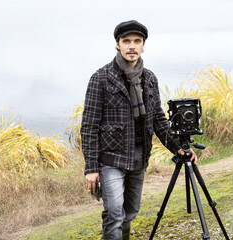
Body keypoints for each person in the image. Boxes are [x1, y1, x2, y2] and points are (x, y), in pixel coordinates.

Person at [81, 20, 197, 240]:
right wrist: (91, 168)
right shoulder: (101, 78)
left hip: (139, 157)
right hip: (111, 159)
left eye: (137, 41)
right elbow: (89, 126)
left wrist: (178, 148)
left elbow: (157, 119)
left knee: (130, 212)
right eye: (126, 41)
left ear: (143, 45)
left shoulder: (149, 78)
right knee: (114, 213)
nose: (132, 46)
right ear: (118, 44)